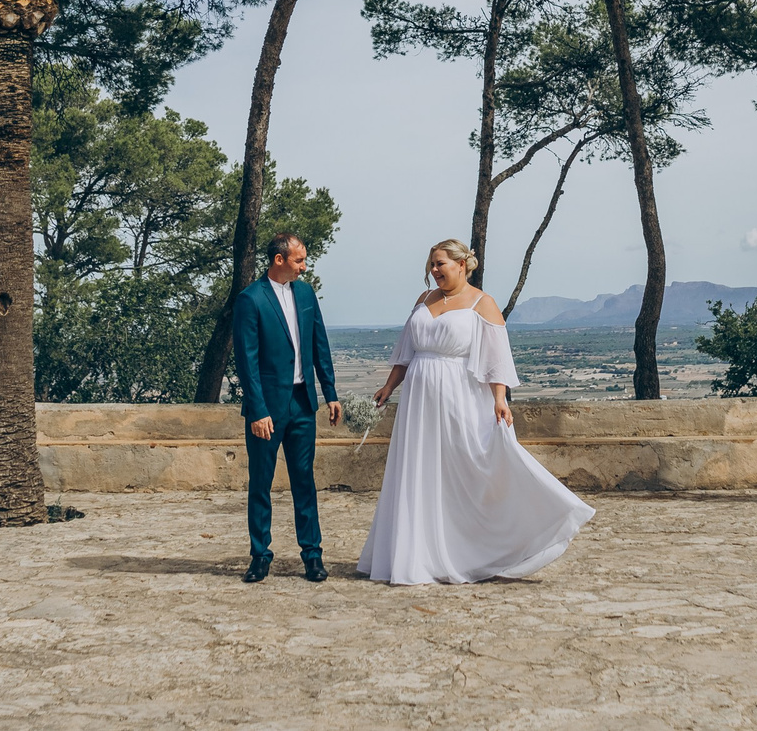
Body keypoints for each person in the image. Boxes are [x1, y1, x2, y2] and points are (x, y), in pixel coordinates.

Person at [360, 238, 593, 585]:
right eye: (432, 265)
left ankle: (486, 545)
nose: (434, 270)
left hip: (460, 393)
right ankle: (415, 554)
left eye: (441, 264)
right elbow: (406, 352)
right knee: (418, 468)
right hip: (419, 398)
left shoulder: (483, 304)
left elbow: (497, 358)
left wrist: (500, 399)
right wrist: (390, 386)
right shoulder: (423, 300)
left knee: (466, 466)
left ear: (461, 264)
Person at [229, 231, 342, 582]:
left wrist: (331, 391)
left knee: (304, 481)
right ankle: (260, 555)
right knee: (260, 482)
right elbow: (246, 360)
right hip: (267, 408)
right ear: (279, 260)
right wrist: (258, 410)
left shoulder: (306, 293)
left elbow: (318, 341)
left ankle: (312, 555)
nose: (304, 267)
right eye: (299, 260)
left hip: (303, 402)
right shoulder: (251, 299)